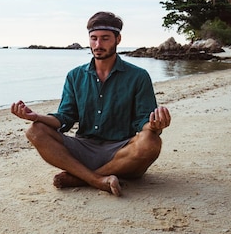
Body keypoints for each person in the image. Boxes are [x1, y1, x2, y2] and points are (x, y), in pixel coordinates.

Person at [11, 12, 171, 196]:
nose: (98, 45)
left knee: (151, 141)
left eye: (105, 39)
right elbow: (65, 118)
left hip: (122, 152)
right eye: (93, 38)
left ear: (118, 39)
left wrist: (155, 125)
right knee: (35, 130)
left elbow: (143, 122)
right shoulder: (75, 76)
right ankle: (97, 180)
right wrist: (35, 117)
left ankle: (82, 178)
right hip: (83, 148)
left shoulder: (138, 76)